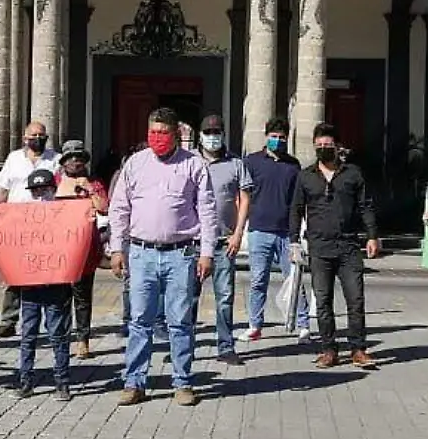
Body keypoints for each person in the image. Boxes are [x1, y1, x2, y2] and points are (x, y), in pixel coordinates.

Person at [108, 107, 217, 407]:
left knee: (180, 321)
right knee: (139, 320)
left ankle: (182, 382)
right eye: (152, 132)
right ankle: (134, 382)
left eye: (163, 133)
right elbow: (119, 208)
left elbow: (207, 211)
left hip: (180, 254)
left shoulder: (193, 165)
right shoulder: (135, 164)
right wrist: (117, 248)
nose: (157, 138)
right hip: (141, 253)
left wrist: (206, 252)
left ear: (176, 134)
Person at [290, 123, 381, 369]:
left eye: (328, 145)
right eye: (319, 145)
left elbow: (366, 206)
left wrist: (372, 236)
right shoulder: (306, 176)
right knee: (323, 301)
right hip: (319, 247)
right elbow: (296, 210)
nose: (323, 149)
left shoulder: (353, 174)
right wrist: (293, 242)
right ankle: (329, 349)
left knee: (356, 299)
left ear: (337, 146)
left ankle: (358, 349)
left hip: (349, 246)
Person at [0, 120, 58, 338]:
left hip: (46, 225)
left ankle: (48, 321)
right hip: (16, 225)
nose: (38, 138)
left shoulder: (55, 159)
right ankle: (8, 320)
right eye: (34, 135)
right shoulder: (14, 159)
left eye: (42, 135)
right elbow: (3, 191)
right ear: (25, 138)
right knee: (13, 274)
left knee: (45, 274)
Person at [196, 114, 253, 365]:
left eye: (216, 131)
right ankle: (183, 346)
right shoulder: (190, 162)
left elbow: (244, 198)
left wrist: (238, 233)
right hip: (194, 242)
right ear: (200, 135)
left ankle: (225, 346)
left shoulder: (236, 164)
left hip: (223, 241)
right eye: (208, 132)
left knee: (225, 297)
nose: (212, 136)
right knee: (187, 297)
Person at [241, 117, 304, 342]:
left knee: (294, 279)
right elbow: (243, 195)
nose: (277, 140)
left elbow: (298, 200)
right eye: (274, 137)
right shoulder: (251, 162)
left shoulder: (293, 165)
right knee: (258, 280)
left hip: (287, 232)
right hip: (259, 230)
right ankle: (254, 325)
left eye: (281, 137)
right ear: (266, 137)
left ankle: (303, 323)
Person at [15, 168, 74, 399]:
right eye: (36, 191)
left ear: (53, 189)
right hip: (30, 282)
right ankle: (26, 380)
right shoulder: (22, 215)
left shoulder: (64, 213)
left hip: (56, 282)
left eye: (45, 190)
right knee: (28, 334)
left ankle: (62, 381)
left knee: (58, 333)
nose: (40, 195)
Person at [54, 140, 108, 359]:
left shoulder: (94, 182)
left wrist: (88, 189)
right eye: (71, 158)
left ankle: (83, 340)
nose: (75, 161)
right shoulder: (54, 181)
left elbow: (104, 207)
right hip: (60, 249)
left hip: (86, 250)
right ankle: (61, 338)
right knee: (61, 298)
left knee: (83, 297)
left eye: (79, 157)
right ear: (64, 162)